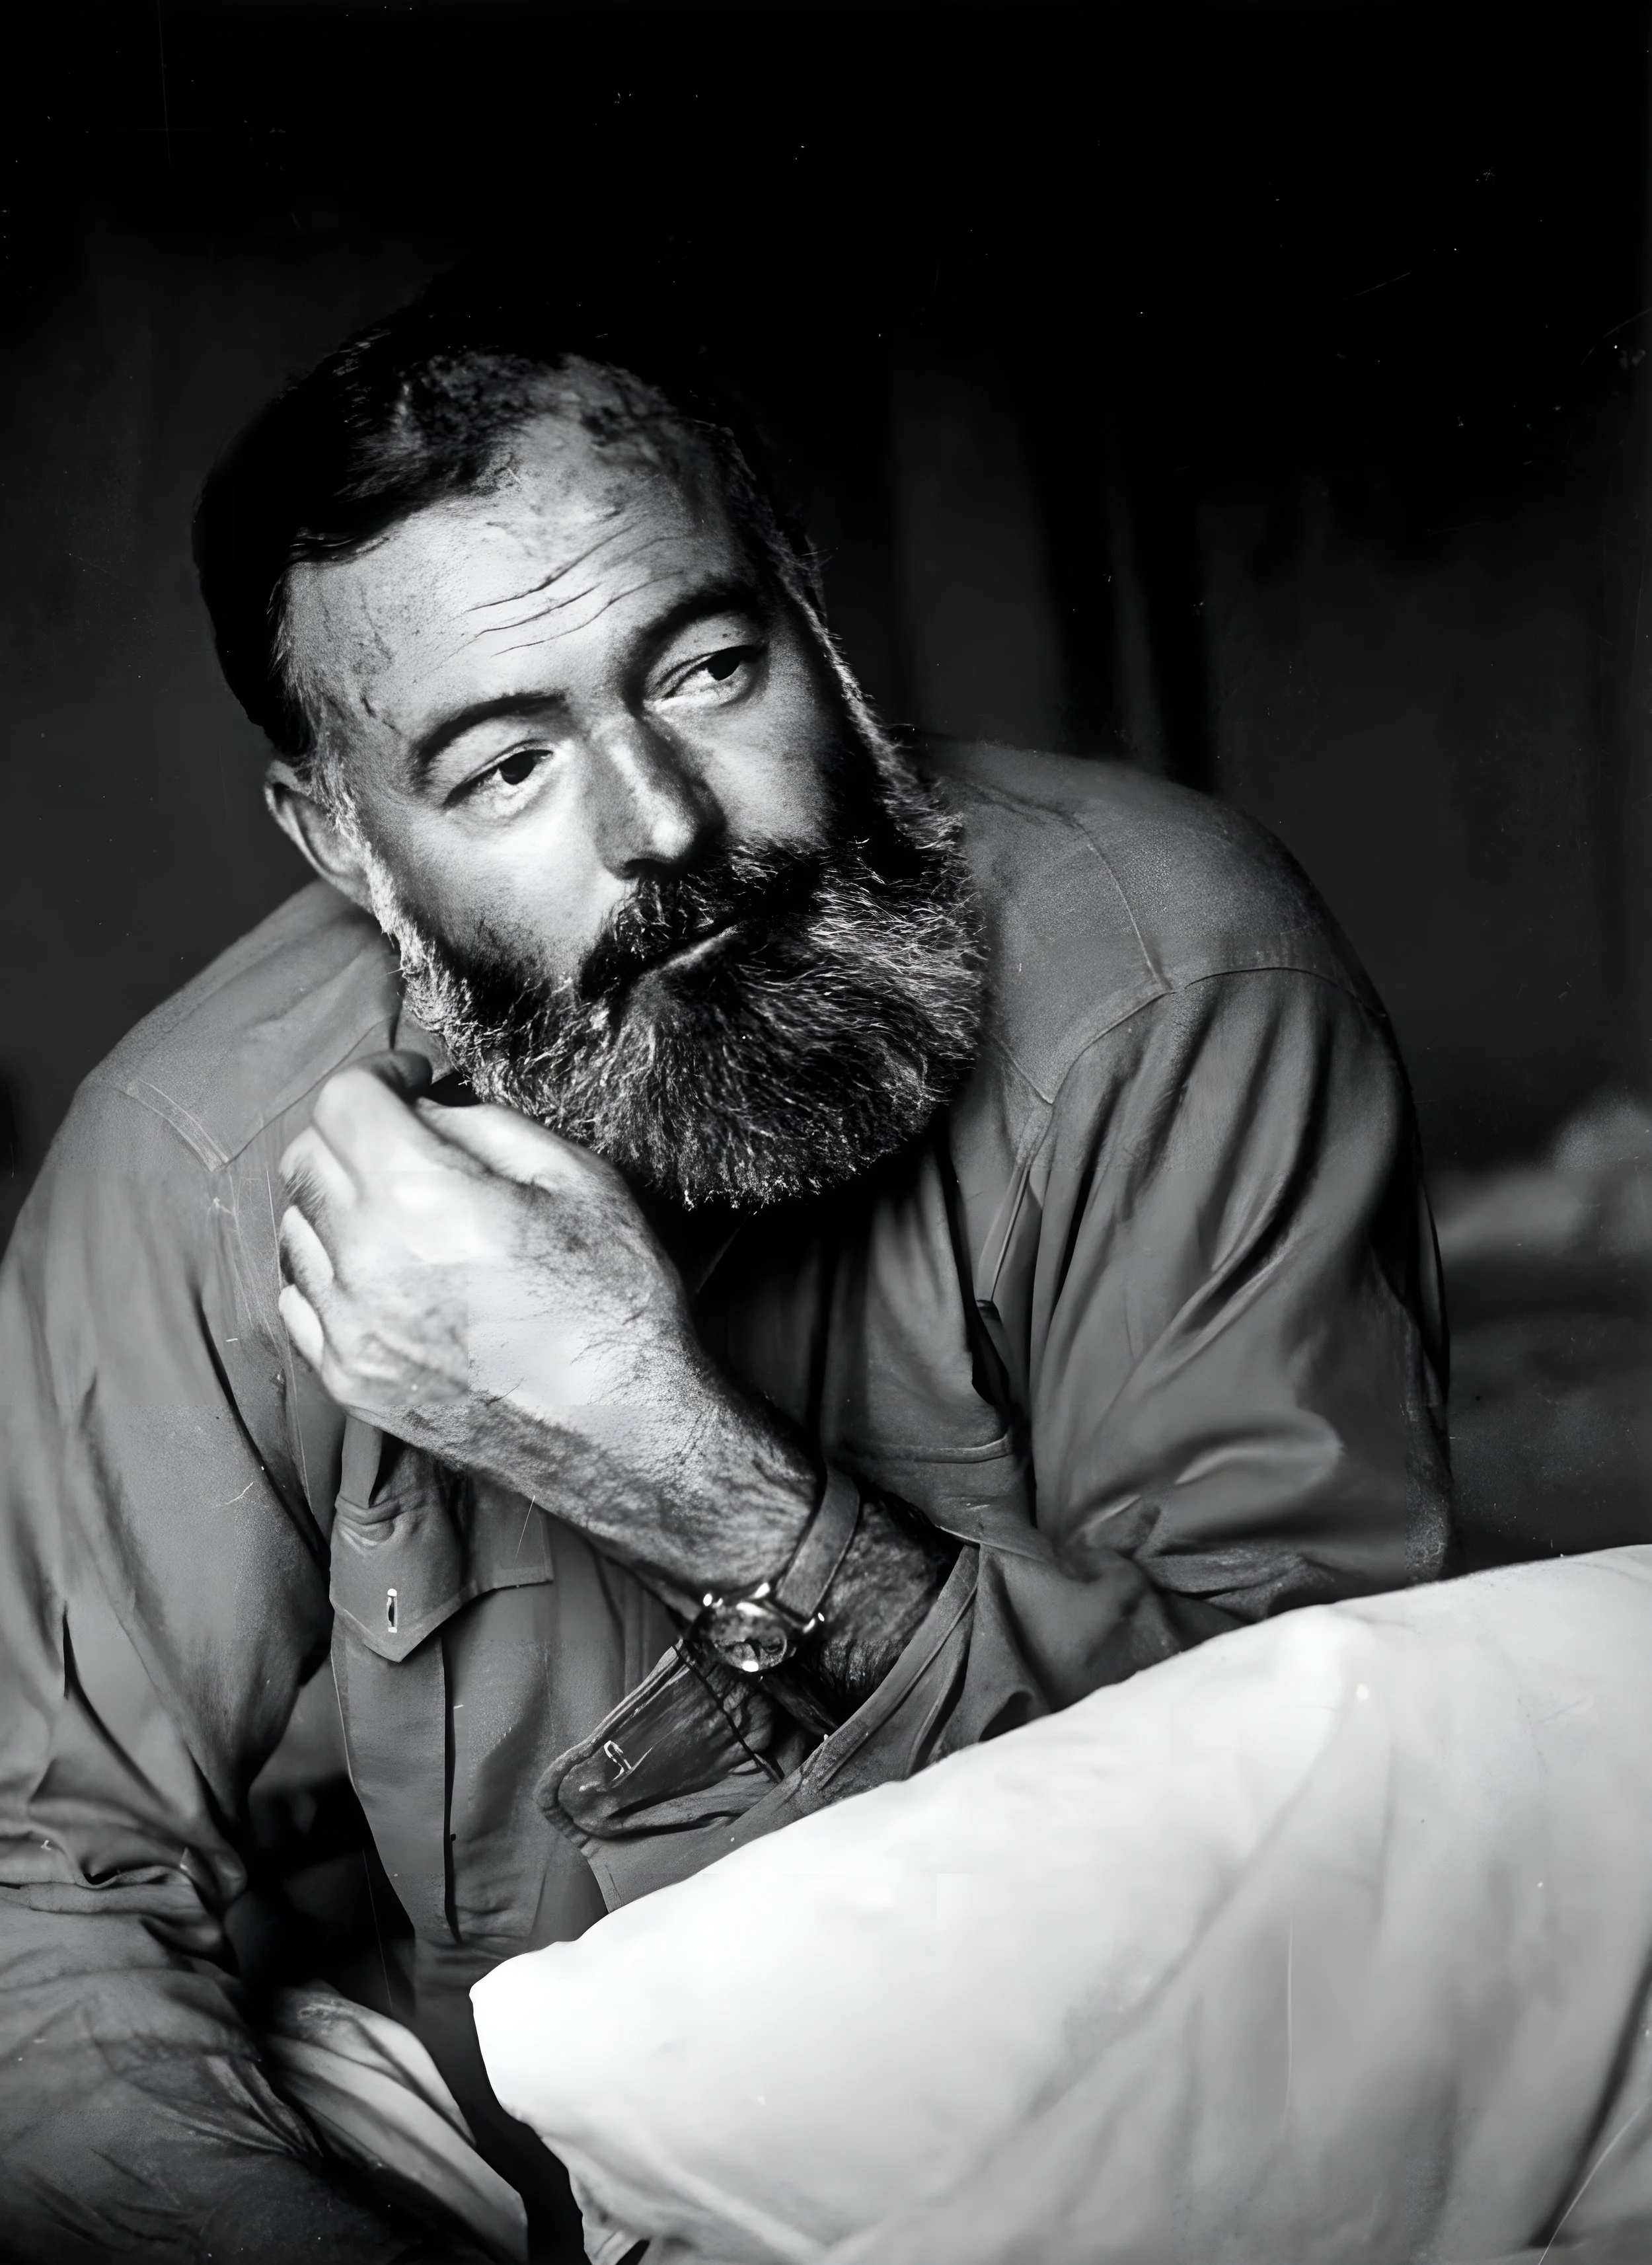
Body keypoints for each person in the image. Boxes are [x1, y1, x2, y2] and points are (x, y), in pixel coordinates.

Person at [0, 278, 1452, 2264]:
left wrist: (668, 1459)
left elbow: (1345, 1848)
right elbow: (38, 1870)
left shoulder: (1170, 980)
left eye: (700, 670)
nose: (662, 826)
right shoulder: (202, 1158)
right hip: (527, 2122)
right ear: (341, 838)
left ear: (812, 622)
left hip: (1132, 2081)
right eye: (502, 770)